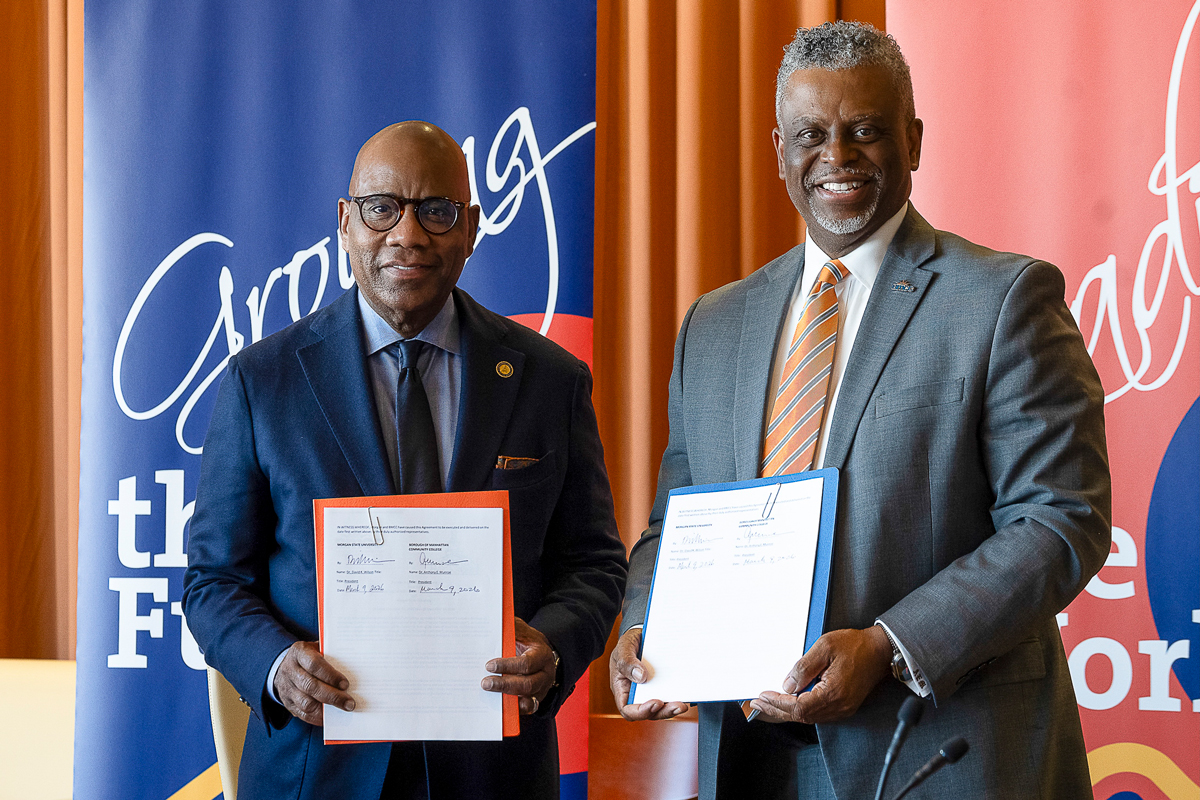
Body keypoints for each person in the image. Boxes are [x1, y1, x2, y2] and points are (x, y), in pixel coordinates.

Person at [610, 21, 1110, 800]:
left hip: (940, 752)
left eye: (865, 131)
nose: (836, 156)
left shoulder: (1004, 298)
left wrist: (887, 645)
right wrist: (645, 625)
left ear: (912, 141)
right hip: (751, 758)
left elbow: (1060, 520)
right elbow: (675, 520)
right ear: (778, 148)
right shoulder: (714, 323)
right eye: (812, 134)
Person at [183, 121, 627, 800]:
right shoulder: (261, 383)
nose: (408, 235)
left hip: (493, 775)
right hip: (317, 772)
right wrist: (275, 666)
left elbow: (594, 563)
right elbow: (213, 580)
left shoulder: (550, 380)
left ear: (472, 227)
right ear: (345, 221)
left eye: (437, 211)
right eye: (382, 208)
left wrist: (555, 650)